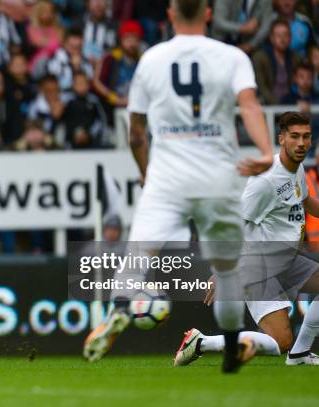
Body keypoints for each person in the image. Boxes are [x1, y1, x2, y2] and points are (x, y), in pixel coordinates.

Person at [83, 0, 274, 373]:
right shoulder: (231, 56)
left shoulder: (151, 59)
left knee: (136, 259)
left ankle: (122, 307)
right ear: (207, 13)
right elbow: (249, 106)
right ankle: (233, 346)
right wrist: (266, 150)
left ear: (170, 15)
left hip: (167, 177)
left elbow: (136, 132)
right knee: (228, 270)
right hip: (217, 176)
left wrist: (145, 171)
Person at [174, 112, 319, 366]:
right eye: (294, 137)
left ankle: (300, 354)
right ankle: (200, 342)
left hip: (285, 260)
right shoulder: (265, 180)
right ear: (281, 139)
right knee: (280, 341)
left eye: (306, 137)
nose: (301, 143)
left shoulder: (296, 170)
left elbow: (306, 201)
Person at [252, 19, 301, 105]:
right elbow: (261, 87)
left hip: (291, 106)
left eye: (285, 35)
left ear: (290, 37)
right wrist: (278, 106)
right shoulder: (260, 57)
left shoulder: (296, 58)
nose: (282, 39)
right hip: (267, 106)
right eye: (278, 35)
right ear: (271, 38)